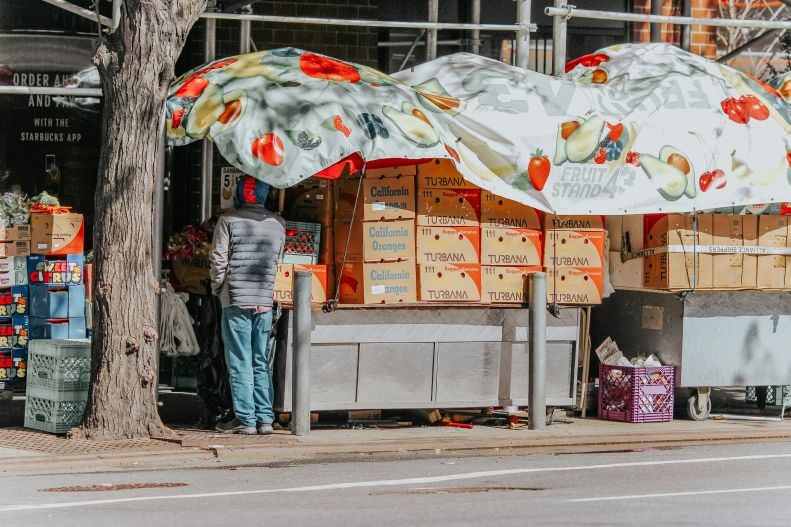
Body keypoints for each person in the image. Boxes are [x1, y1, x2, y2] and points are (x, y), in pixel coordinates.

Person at [209, 175, 285, 435]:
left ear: (240, 193)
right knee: (260, 360)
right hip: (264, 300)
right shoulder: (278, 224)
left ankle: (245, 420)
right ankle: (265, 419)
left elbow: (218, 259)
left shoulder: (227, 221)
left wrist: (219, 289)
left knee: (239, 360)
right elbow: (278, 260)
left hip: (236, 300)